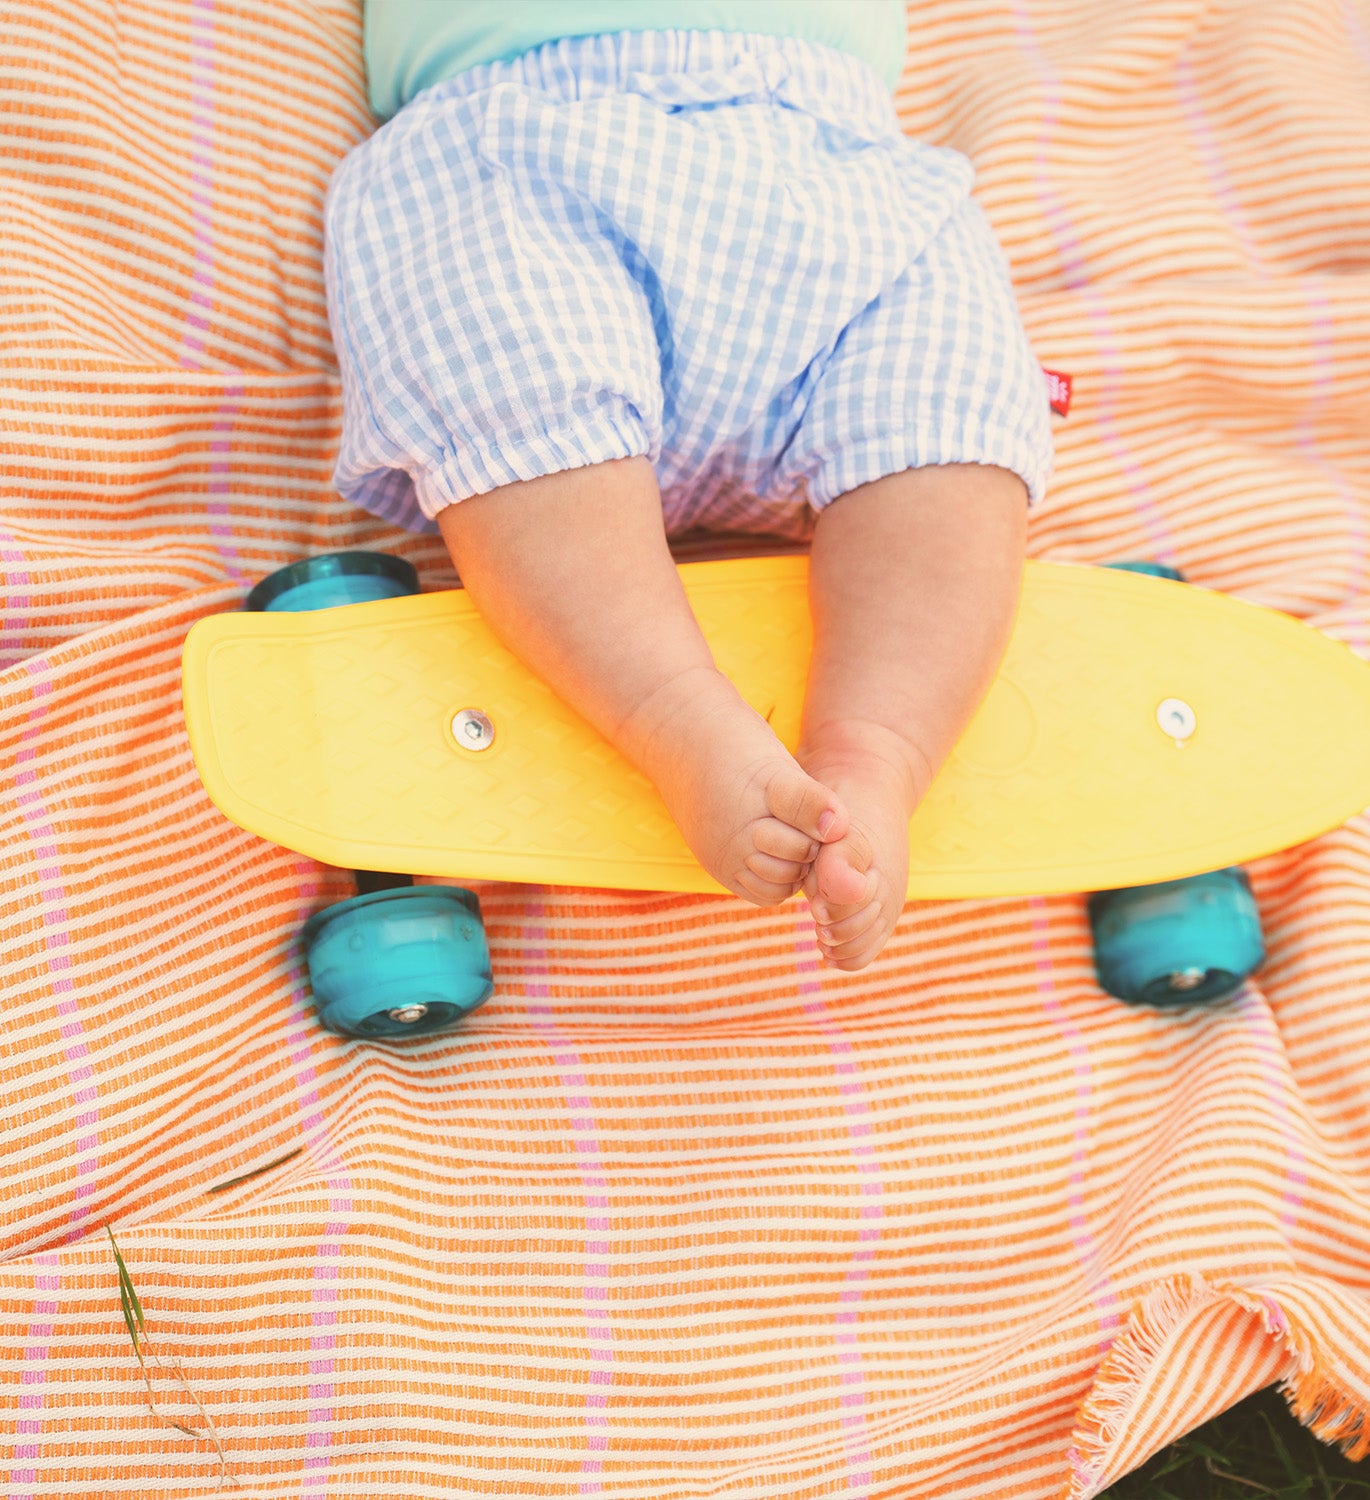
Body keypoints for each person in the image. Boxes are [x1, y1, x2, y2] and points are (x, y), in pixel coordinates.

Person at [324, 1, 1054, 969]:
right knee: (507, 348)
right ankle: (675, 715)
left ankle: (877, 753)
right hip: (529, 133)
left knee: (955, 404)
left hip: (844, 164)